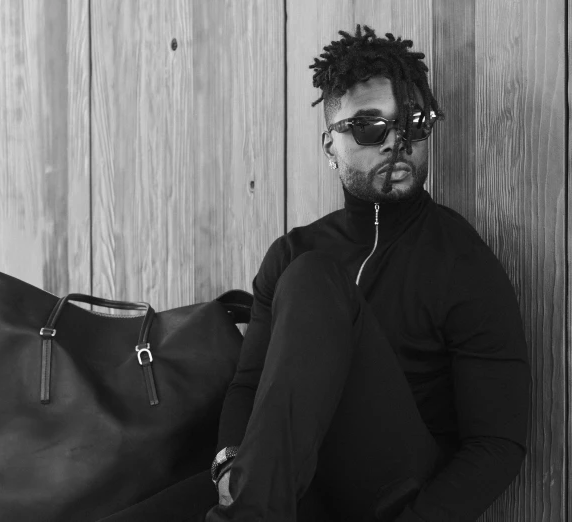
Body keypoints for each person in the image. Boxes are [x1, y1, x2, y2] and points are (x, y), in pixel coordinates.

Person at [102, 23, 530, 522]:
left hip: (391, 492)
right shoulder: (291, 251)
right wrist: (227, 468)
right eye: (370, 127)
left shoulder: (462, 262)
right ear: (330, 145)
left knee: (312, 280)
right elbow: (250, 385)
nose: (396, 142)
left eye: (413, 122)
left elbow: (497, 445)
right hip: (286, 485)